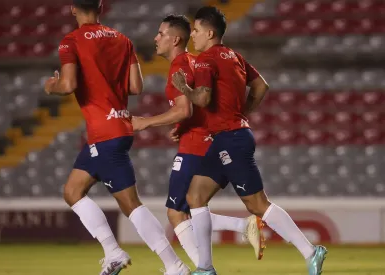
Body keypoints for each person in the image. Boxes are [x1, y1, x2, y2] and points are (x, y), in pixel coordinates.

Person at [171, 6, 327, 275]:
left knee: (257, 204)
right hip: (228, 137)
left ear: (209, 33)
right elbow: (261, 86)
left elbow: (204, 98)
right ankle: (205, 268)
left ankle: (312, 251)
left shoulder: (207, 59)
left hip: (230, 139)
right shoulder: (234, 56)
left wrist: (184, 88)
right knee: (195, 196)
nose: (192, 35)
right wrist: (243, 112)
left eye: (195, 30)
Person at [43, 1, 190, 274]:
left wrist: (52, 86)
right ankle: (113, 252)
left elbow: (69, 84)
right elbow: (136, 86)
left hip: (104, 134)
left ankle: (174, 265)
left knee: (131, 205)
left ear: (72, 8)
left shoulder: (70, 41)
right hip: (118, 127)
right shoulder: (122, 39)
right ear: (100, 6)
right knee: (72, 191)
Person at [131, 14, 266, 267]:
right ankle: (210, 260)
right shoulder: (196, 61)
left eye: (161, 34)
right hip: (210, 140)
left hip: (197, 146)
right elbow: (201, 108)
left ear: (176, 39)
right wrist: (183, 126)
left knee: (176, 212)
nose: (155, 38)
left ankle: (204, 268)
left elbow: (186, 109)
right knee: (189, 209)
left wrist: (144, 122)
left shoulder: (180, 65)